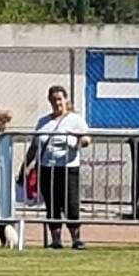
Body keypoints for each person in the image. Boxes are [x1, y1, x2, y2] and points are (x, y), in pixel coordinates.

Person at [27, 85, 90, 250]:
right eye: (54, 100)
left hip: (68, 168)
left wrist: (79, 140)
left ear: (66, 100)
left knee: (71, 204)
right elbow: (35, 145)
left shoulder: (75, 119)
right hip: (47, 167)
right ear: (49, 101)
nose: (57, 103)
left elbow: (86, 139)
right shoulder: (43, 122)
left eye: (60, 99)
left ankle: (76, 239)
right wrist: (26, 165)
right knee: (52, 205)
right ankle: (55, 240)